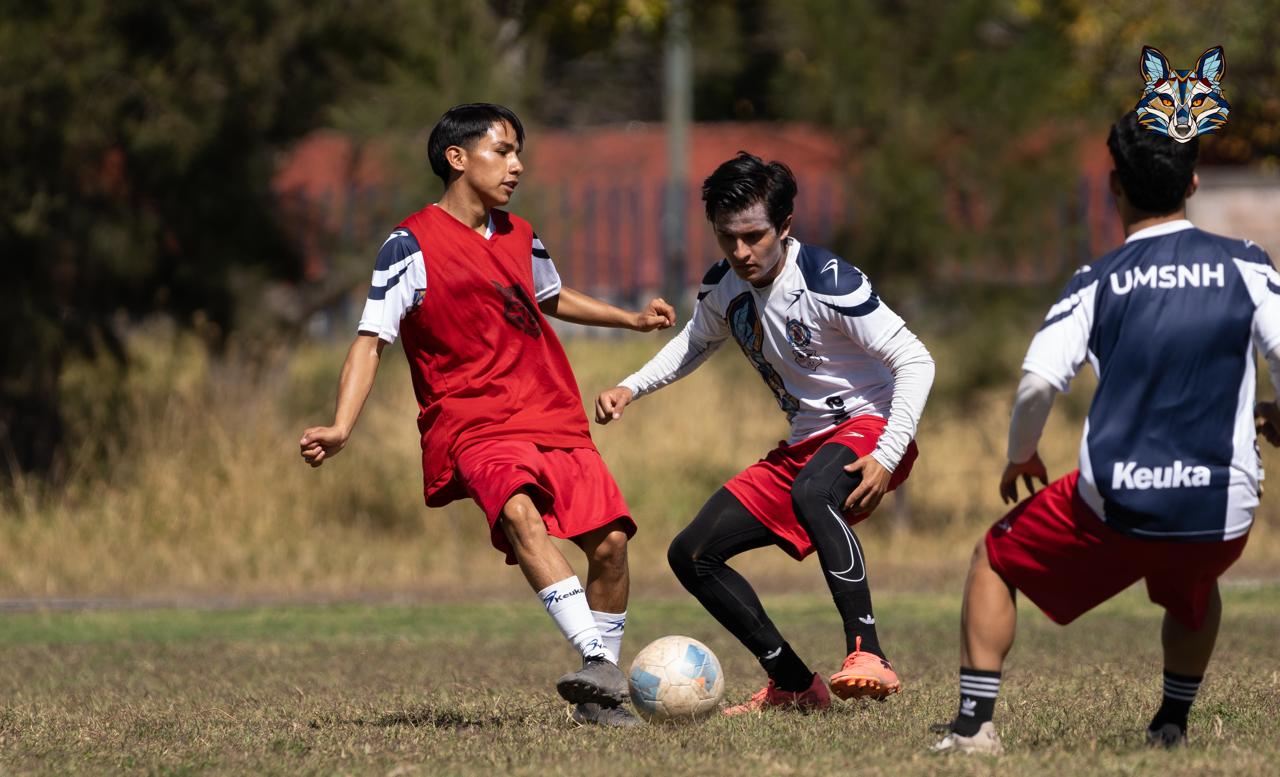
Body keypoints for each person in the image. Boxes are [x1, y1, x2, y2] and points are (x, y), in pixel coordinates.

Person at [299, 103, 675, 728]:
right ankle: (595, 657)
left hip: (552, 413)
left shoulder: (521, 233)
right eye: (502, 151)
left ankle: (597, 698)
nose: (517, 165)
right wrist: (341, 425)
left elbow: (551, 294)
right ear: (457, 158)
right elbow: (370, 341)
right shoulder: (408, 245)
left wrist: (630, 319)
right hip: (474, 423)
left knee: (610, 544)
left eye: (518, 151)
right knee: (521, 513)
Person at [931, 112, 1280, 755]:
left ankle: (975, 727)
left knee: (994, 557)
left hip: (1115, 504)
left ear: (1113, 186)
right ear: (1194, 183)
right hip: (1220, 509)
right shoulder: (1247, 265)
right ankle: (1171, 724)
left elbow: (1038, 384)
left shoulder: (1096, 281)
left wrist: (1021, 455)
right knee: (1193, 586)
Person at [596, 152, 935, 713]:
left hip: (868, 423)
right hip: (805, 440)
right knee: (692, 554)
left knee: (813, 492)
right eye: (727, 238)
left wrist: (888, 451)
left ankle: (868, 652)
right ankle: (794, 684)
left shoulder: (827, 280)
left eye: (753, 236)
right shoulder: (725, 284)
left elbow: (915, 360)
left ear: (785, 227)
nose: (740, 252)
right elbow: (694, 342)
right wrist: (631, 386)